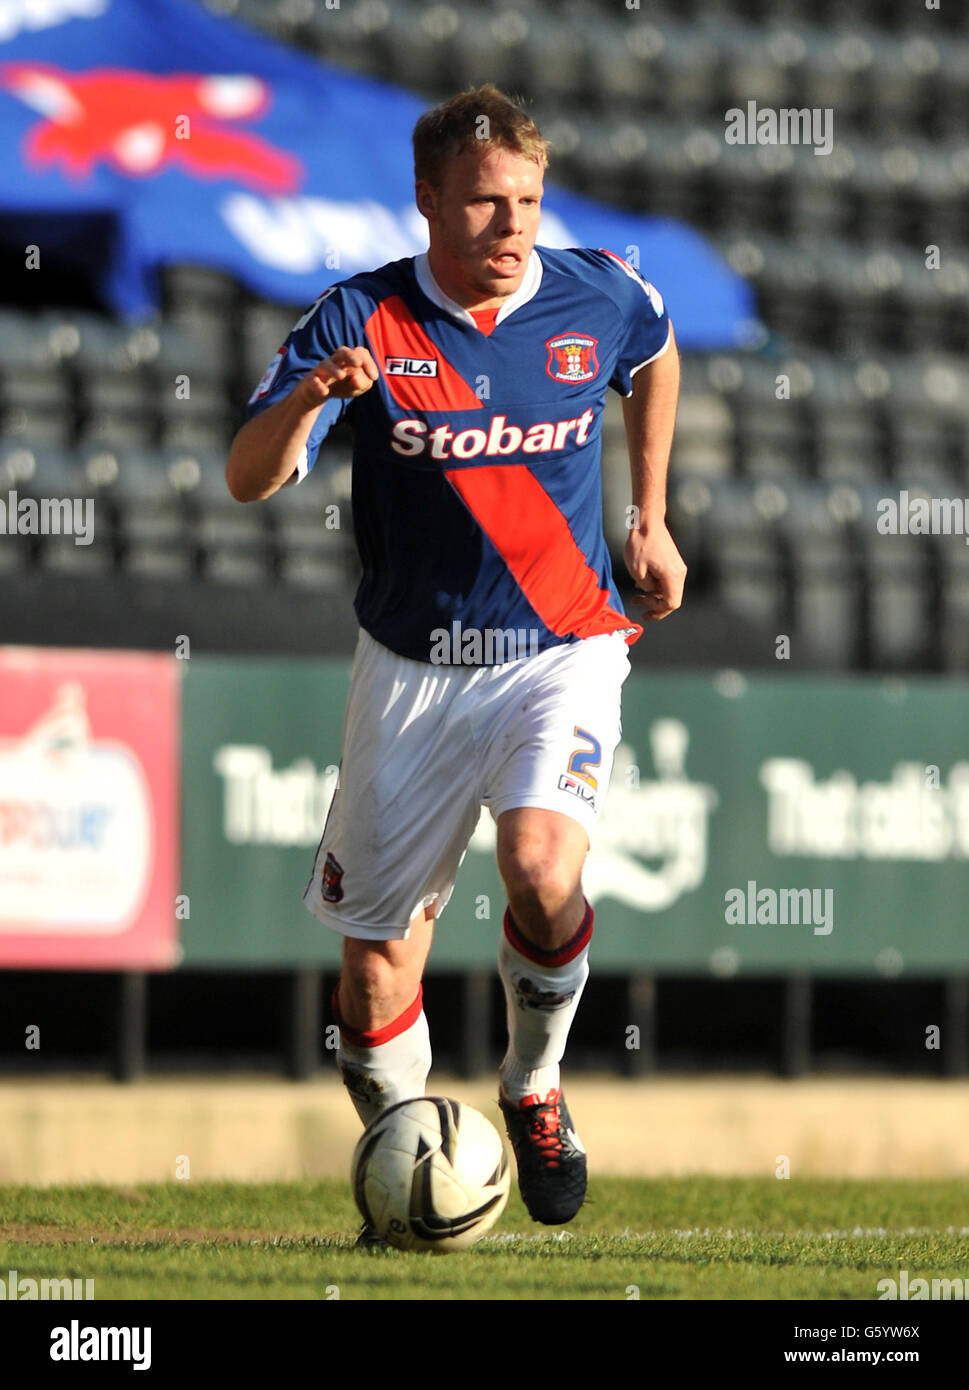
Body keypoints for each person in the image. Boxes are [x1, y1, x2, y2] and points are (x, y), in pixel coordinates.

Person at [226, 84, 685, 1232]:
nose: (512, 227)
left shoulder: (596, 292)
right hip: (413, 670)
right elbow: (247, 474)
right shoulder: (361, 319)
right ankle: (414, 1169)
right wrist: (316, 401)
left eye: (527, 201)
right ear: (427, 200)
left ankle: (532, 1087)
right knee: (376, 976)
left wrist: (650, 512)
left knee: (541, 867)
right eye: (485, 204)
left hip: (563, 647)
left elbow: (658, 348)